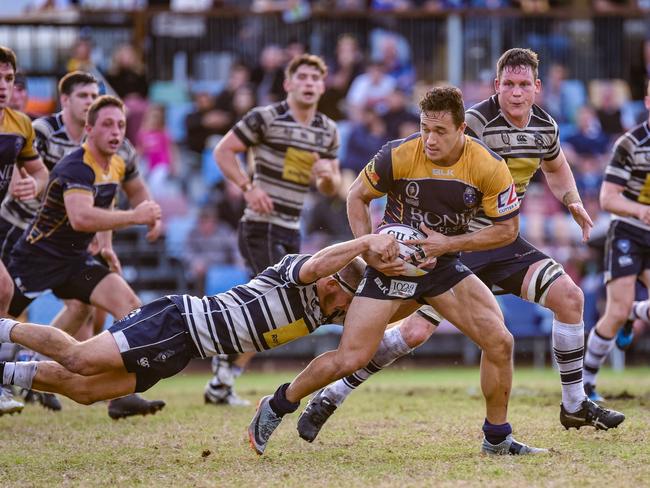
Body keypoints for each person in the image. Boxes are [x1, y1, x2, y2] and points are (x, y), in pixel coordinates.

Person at [296, 48, 625, 443]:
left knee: (569, 298)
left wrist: (571, 199)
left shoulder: (545, 126)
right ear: (496, 86)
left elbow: (555, 166)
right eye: (508, 85)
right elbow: (425, 162)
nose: (516, 94)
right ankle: (332, 394)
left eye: (524, 85)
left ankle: (574, 404)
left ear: (537, 88)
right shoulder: (471, 123)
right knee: (412, 333)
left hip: (500, 239)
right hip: (452, 246)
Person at [249, 85, 548, 457]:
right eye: (425, 128)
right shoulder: (399, 154)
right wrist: (368, 249)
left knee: (500, 341)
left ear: (461, 130)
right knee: (350, 358)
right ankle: (277, 405)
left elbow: (508, 230)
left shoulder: (487, 165)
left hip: (443, 267)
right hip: (390, 269)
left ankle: (497, 438)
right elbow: (356, 196)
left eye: (440, 131)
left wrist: (448, 245)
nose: (430, 139)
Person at [0, 233, 403, 410]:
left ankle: (4, 373)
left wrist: (421, 291)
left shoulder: (327, 310)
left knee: (85, 392)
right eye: (351, 299)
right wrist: (366, 243)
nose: (351, 308)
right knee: (80, 359)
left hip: (183, 352)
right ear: (335, 284)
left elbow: (375, 319)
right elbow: (319, 262)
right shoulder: (297, 273)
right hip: (177, 322)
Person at [0, 71, 165, 417]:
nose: (116, 132)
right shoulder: (74, 163)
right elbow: (81, 217)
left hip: (76, 258)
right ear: (88, 129)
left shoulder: (118, 159)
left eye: (121, 125)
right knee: (3, 318)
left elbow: (104, 205)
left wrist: (106, 245)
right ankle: (18, 373)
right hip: (36, 255)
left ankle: (117, 394)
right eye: (107, 125)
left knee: (130, 308)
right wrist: (136, 216)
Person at [207, 53, 341, 406]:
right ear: (288, 84)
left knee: (278, 309)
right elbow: (223, 151)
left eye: (316, 77)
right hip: (259, 226)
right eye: (303, 77)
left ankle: (223, 373)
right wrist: (248, 187)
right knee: (272, 304)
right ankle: (223, 372)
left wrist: (327, 180)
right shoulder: (266, 117)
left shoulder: (327, 130)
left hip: (291, 229)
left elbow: (331, 188)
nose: (310, 83)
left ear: (322, 86)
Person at [583, 80, 650, 401]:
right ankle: (585, 384)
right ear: (647, 102)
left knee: (624, 310)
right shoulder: (631, 143)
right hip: (629, 232)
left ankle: (634, 313)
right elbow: (608, 198)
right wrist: (639, 210)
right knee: (614, 310)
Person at [0, 46, 49, 417]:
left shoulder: (20, 124)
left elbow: (40, 172)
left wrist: (33, 184)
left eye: (8, 79)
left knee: (4, 291)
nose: (3, 86)